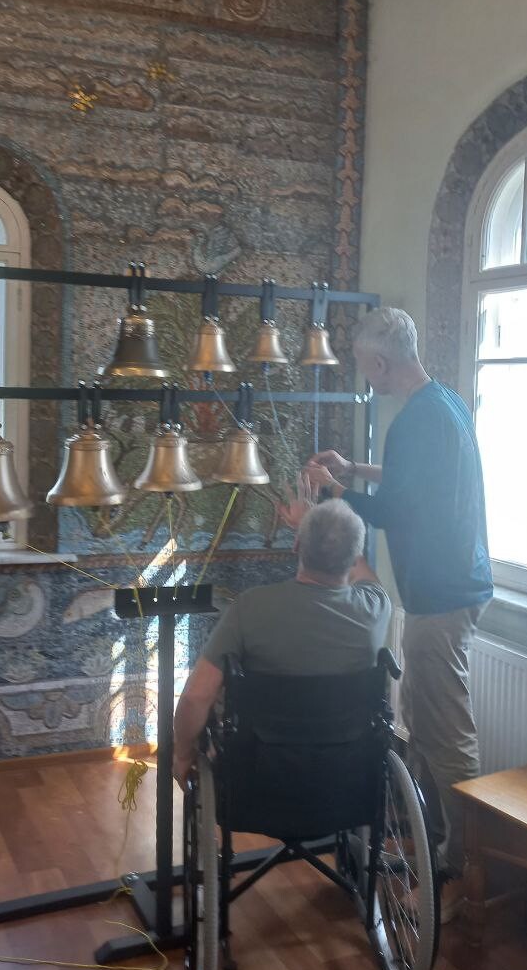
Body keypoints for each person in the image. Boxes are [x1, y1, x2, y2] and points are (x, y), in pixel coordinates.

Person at [303, 306, 492, 900]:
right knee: (424, 721)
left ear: (381, 363)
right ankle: (436, 847)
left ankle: (461, 870)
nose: (367, 378)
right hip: (453, 588)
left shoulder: (413, 421)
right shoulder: (446, 403)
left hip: (441, 598)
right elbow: (413, 481)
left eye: (366, 367)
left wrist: (334, 494)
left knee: (447, 737)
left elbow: (391, 511)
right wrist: (354, 468)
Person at [173, 496, 390, 787]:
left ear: (296, 545)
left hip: (261, 775)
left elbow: (196, 697)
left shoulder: (249, 607)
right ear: (353, 559)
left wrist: (182, 755)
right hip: (346, 777)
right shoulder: (375, 607)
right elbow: (364, 572)